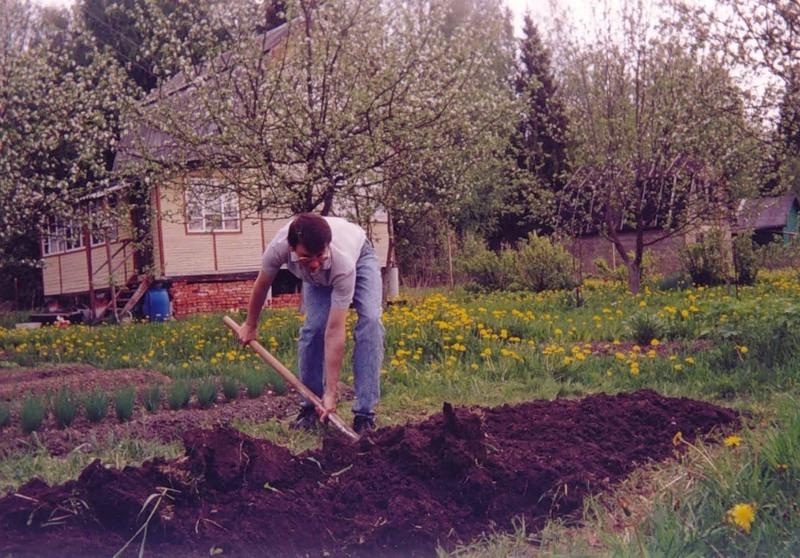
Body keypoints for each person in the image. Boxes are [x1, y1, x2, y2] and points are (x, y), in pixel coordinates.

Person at [238, 213, 384, 433]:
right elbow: (262, 284)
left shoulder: (342, 263)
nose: (314, 264)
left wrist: (331, 393)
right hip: (317, 280)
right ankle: (310, 408)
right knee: (313, 330)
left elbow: (335, 331)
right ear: (291, 247)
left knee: (371, 322)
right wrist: (250, 324)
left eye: (320, 255)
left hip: (359, 257)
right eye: (306, 257)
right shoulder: (278, 248)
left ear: (327, 246)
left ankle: (364, 414)